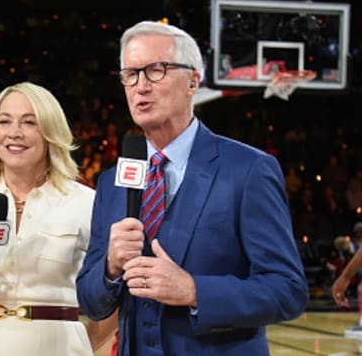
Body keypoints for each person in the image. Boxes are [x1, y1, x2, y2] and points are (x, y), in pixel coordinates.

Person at [75, 21, 307, 356]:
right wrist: (110, 267)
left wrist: (194, 290)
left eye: (156, 70)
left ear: (193, 81)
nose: (140, 86)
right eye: (131, 74)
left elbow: (288, 290)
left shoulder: (249, 170)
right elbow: (90, 301)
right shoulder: (112, 182)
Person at [0, 82, 117, 355]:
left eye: (29, 122)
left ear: (51, 132)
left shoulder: (87, 203)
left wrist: (83, 342)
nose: (14, 133)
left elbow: (118, 296)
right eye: (4, 121)